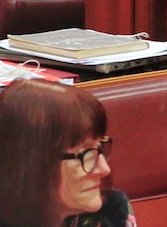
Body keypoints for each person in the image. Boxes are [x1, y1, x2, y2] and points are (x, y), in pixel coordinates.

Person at [0, 79, 135, 227]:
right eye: (85, 153)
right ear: (30, 163)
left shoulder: (110, 211)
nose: (104, 169)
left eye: (99, 148)